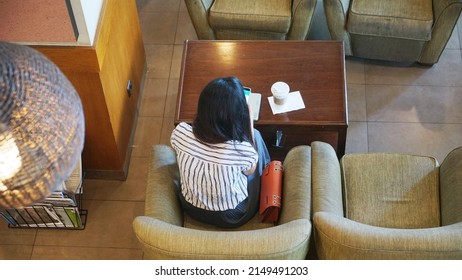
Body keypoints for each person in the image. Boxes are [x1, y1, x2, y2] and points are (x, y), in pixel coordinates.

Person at [170, 76, 271, 228]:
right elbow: (250, 171)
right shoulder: (242, 151)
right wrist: (249, 121)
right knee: (256, 136)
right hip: (231, 216)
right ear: (237, 116)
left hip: (190, 207)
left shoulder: (180, 132)